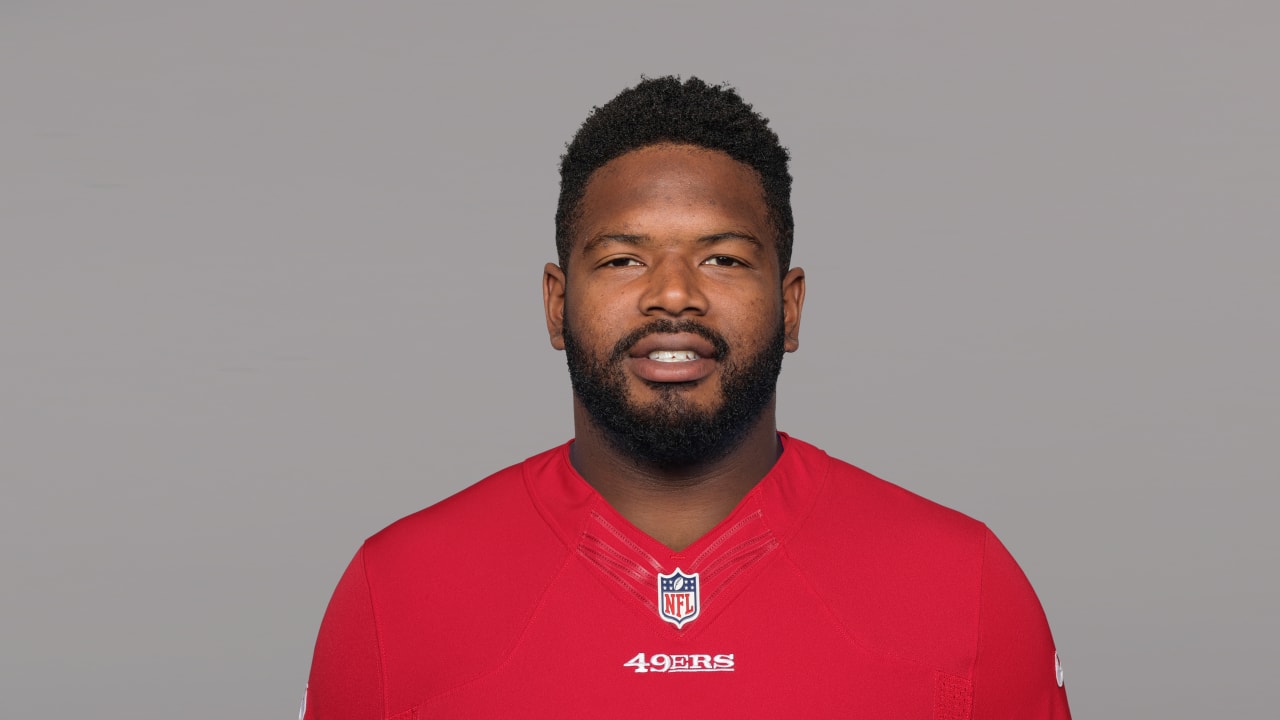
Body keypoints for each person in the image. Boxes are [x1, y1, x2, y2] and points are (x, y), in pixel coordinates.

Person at [302, 76, 1071, 719]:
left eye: (725, 259)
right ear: (554, 304)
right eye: (624, 259)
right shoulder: (397, 592)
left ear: (791, 305)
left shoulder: (964, 584)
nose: (674, 294)